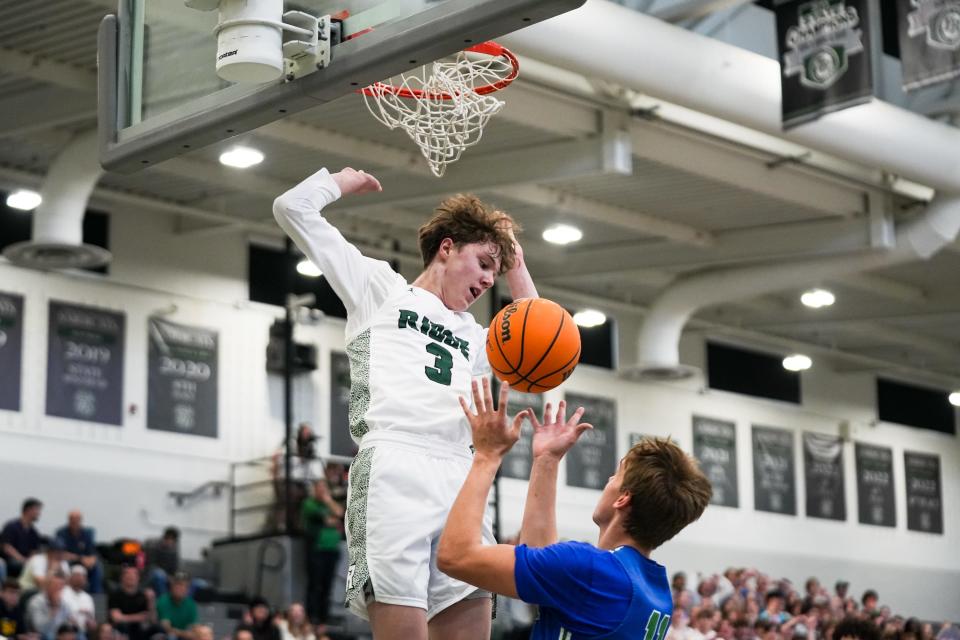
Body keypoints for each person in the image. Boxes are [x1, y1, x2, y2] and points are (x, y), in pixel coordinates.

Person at [273, 166, 536, 639]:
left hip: (462, 474)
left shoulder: (478, 338)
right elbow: (292, 208)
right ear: (447, 246)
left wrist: (515, 264)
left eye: (493, 273)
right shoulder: (381, 290)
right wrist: (340, 182)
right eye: (482, 263)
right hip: (394, 467)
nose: (485, 281)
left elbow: (538, 348)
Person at [436, 379, 714, 639]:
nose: (607, 481)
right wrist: (547, 461)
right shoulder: (656, 592)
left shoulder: (589, 570)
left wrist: (486, 455)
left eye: (615, 476)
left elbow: (455, 557)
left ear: (622, 499)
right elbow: (542, 567)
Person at [300, 481, 342, 630]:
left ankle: (324, 618)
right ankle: (311, 617)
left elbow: (339, 513)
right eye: (319, 489)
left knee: (327, 585)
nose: (322, 491)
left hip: (332, 550)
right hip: (316, 549)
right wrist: (331, 518)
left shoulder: (329, 503)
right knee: (315, 584)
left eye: (324, 488)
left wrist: (329, 501)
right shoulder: (309, 504)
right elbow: (328, 519)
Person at [56, 512, 103, 594]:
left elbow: (92, 552)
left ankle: (95, 594)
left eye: (77, 520)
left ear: (80, 521)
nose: (74, 522)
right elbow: (61, 553)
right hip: (69, 563)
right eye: (72, 520)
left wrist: (92, 559)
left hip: (83, 562)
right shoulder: (61, 533)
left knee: (96, 567)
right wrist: (80, 558)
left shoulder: (86, 534)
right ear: (69, 520)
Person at [1, 499, 43, 579]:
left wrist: (31, 561)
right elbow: (7, 547)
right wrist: (22, 560)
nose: (39, 513)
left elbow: (34, 551)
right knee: (17, 564)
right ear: (28, 510)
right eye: (37, 510)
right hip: (11, 559)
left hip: (26, 560)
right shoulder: (11, 526)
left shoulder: (34, 532)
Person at [25, 570, 72, 640]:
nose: (58, 589)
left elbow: (66, 624)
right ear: (47, 586)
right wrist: (54, 609)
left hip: (59, 635)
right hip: (40, 636)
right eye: (55, 586)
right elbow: (39, 629)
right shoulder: (36, 602)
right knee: (49, 636)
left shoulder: (63, 603)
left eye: (61, 586)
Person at [155, 573, 198, 640]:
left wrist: (195, 634)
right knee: (171, 637)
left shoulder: (191, 604)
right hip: (163, 635)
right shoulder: (163, 601)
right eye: (178, 585)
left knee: (205, 633)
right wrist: (186, 634)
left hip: (182, 636)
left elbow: (196, 628)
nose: (180, 588)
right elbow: (166, 628)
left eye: (184, 586)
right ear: (172, 586)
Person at [61, 566, 96, 638]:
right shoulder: (62, 593)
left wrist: (90, 623)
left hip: (83, 631)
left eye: (82, 576)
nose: (79, 579)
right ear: (70, 577)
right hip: (65, 630)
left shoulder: (88, 598)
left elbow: (91, 618)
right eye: (77, 576)